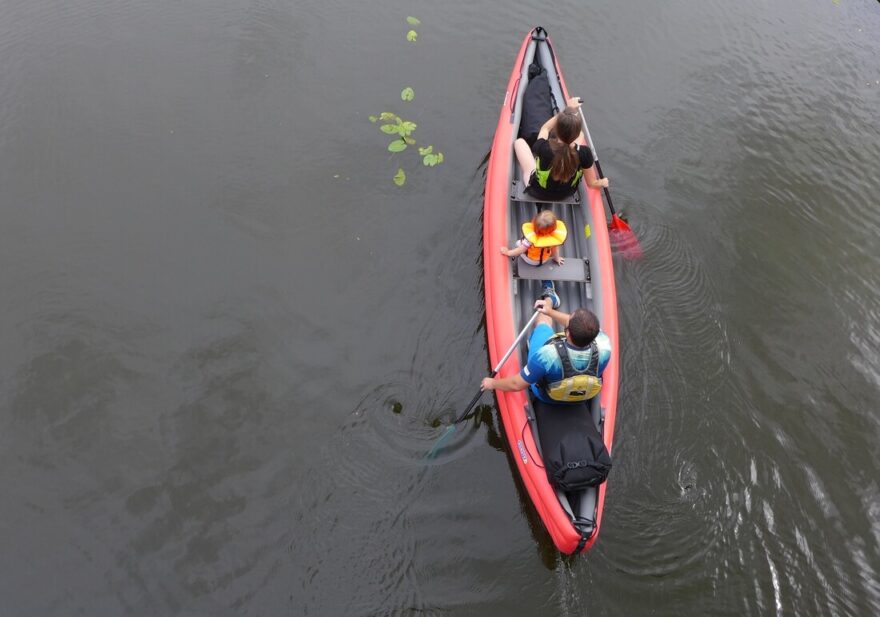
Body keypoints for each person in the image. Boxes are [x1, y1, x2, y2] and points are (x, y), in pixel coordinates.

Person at [480, 293, 611, 405]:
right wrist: (551, 311)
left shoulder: (546, 356)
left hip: (548, 398)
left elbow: (516, 384)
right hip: (583, 397)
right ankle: (550, 301)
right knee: (549, 317)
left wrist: (492, 384)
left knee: (543, 322)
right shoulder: (604, 344)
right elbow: (574, 324)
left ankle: (549, 298)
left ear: (568, 333)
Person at [515, 96, 610, 201]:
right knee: (578, 142)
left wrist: (565, 110)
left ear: (557, 129)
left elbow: (545, 128)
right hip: (567, 194)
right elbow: (592, 184)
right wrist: (602, 182)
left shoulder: (544, 148)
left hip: (538, 191)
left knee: (519, 142)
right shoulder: (585, 153)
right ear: (576, 134)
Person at [500, 209, 568, 266]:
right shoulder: (553, 240)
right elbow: (555, 250)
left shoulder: (530, 240)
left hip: (531, 261)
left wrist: (508, 253)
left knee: (518, 243)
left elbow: (521, 250)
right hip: (544, 260)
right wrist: (557, 258)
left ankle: (518, 250)